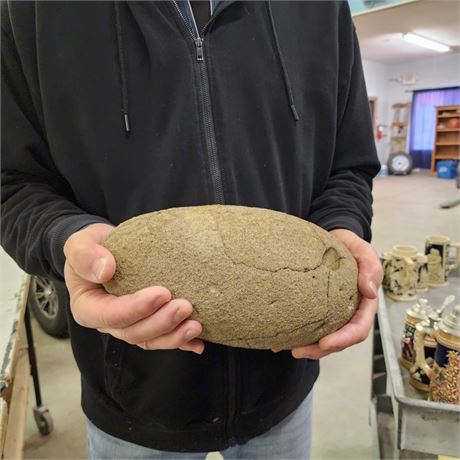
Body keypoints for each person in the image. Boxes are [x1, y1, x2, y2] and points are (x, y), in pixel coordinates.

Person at [1, 1, 383, 458]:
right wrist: (65, 236)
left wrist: (341, 229)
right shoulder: (31, 10)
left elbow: (349, 164)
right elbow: (13, 182)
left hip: (285, 382)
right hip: (134, 397)